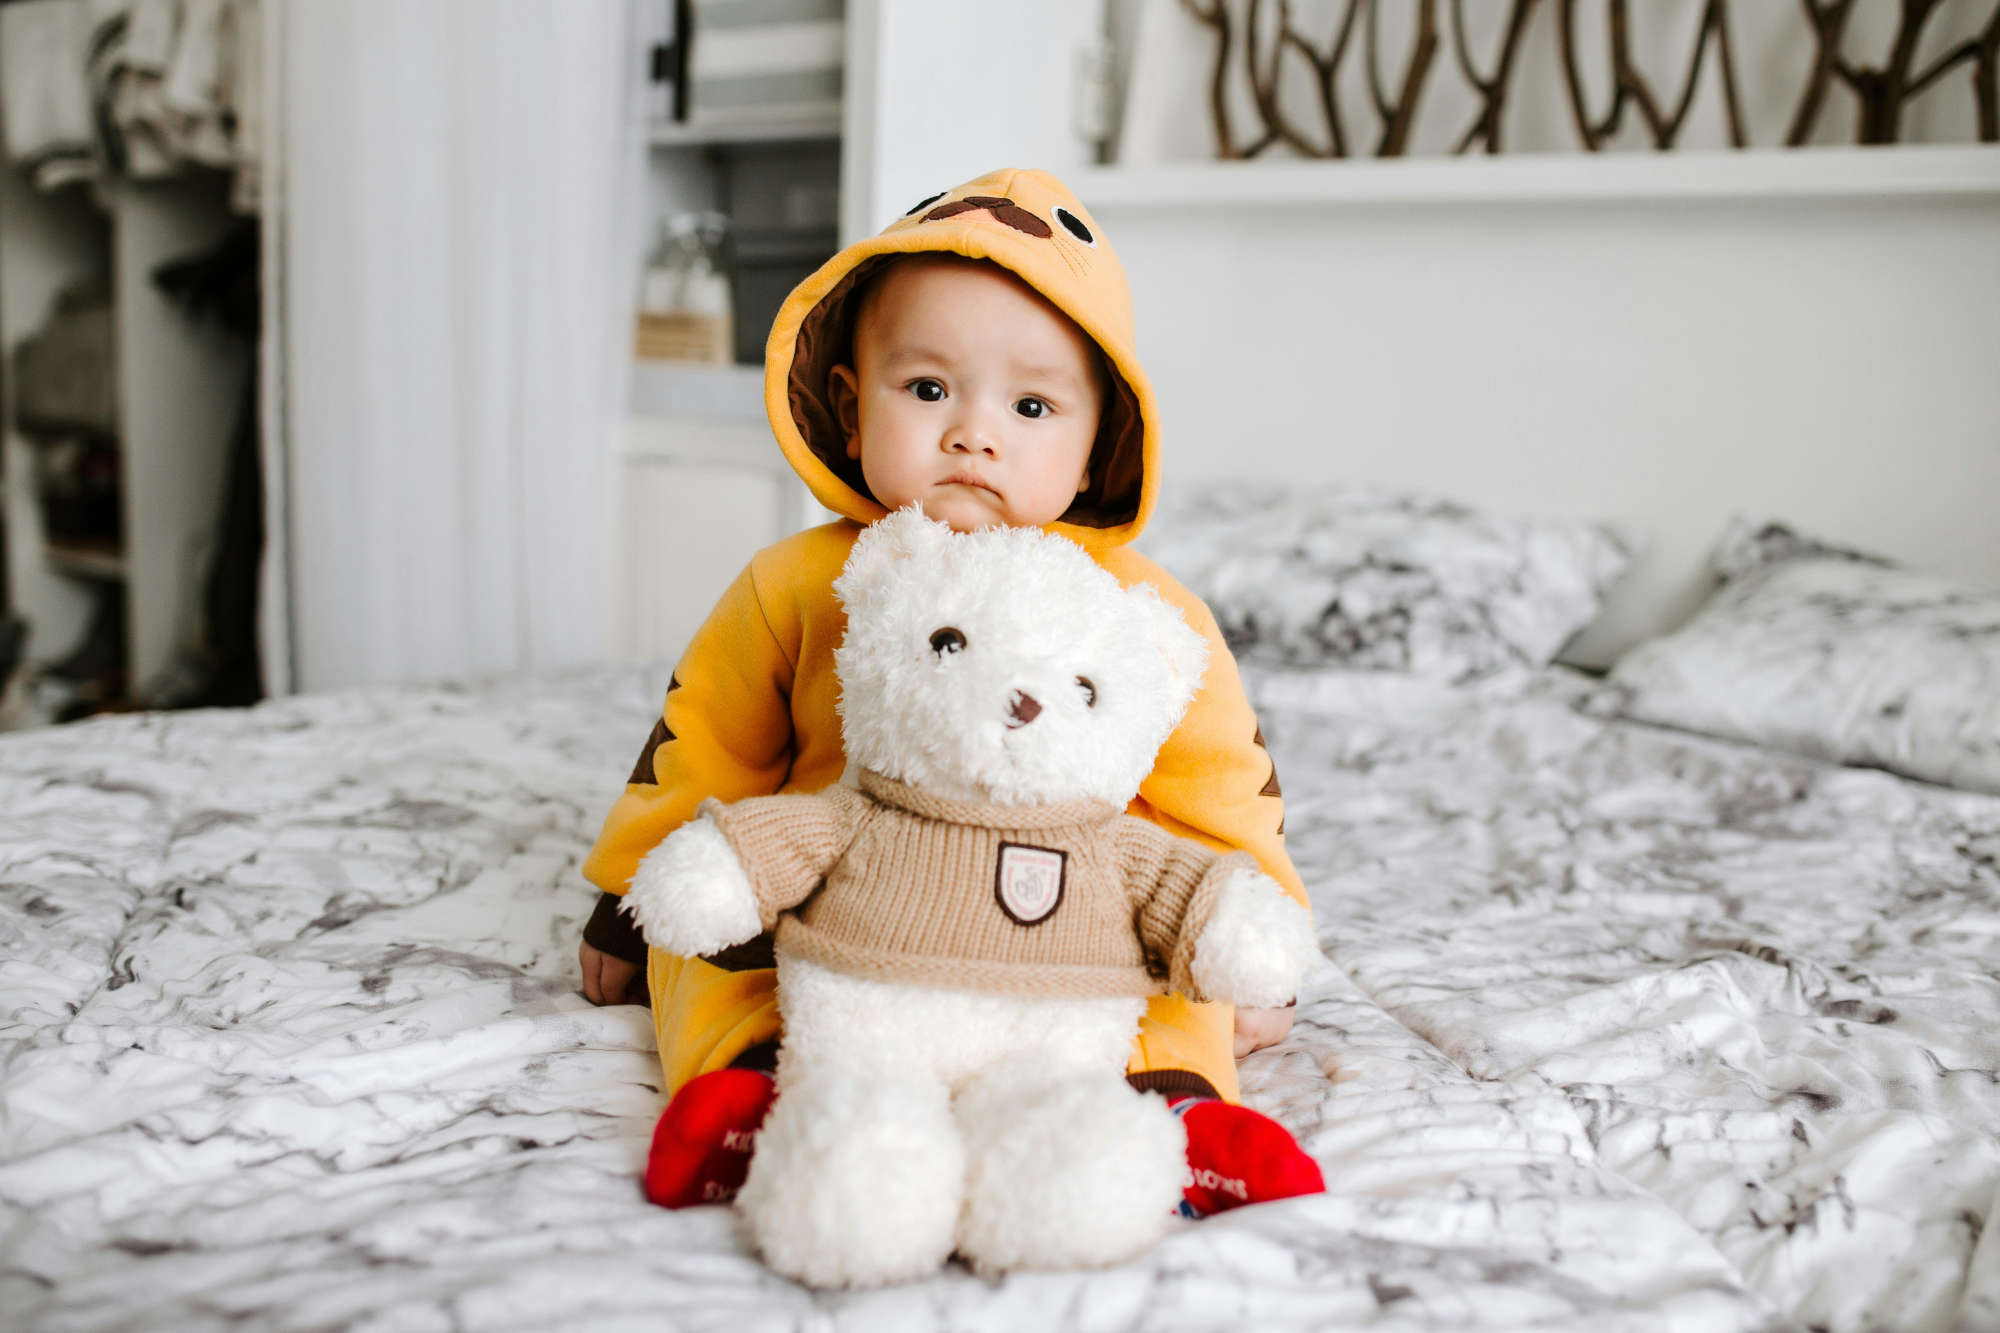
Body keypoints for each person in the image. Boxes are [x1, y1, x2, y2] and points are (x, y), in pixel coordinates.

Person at [579, 167, 1322, 1219]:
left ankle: (1170, 1106)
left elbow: (1224, 785)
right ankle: (753, 1086)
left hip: (1071, 925)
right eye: (928, 390)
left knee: (1163, 983)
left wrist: (1258, 941)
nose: (975, 432)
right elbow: (700, 742)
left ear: (1097, 444)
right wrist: (628, 896)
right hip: (837, 911)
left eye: (1031, 406)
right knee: (702, 950)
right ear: (851, 406)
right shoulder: (797, 583)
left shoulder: (1140, 614)